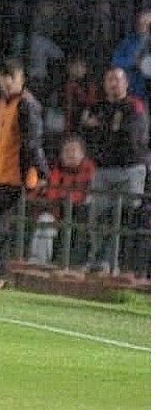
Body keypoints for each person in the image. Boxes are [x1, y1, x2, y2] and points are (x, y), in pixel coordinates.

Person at [0, 59, 49, 289]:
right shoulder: (3, 103)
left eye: (12, 80)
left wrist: (39, 171)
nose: (7, 84)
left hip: (13, 175)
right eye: (4, 80)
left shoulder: (26, 105)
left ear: (21, 79)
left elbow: (32, 142)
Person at [78, 67, 148, 273]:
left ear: (126, 83)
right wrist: (107, 128)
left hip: (130, 169)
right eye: (109, 79)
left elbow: (131, 137)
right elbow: (85, 131)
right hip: (103, 169)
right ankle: (100, 261)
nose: (113, 83)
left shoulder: (134, 106)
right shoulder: (99, 106)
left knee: (127, 216)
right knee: (97, 216)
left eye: (117, 79)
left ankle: (126, 266)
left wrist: (104, 127)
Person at [28, 134, 95, 266]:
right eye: (66, 151)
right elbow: (43, 193)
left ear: (82, 154)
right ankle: (38, 262)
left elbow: (84, 195)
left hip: (79, 215)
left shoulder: (89, 170)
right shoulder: (54, 169)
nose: (70, 155)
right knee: (45, 220)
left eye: (73, 151)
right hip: (56, 211)